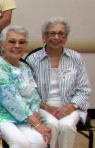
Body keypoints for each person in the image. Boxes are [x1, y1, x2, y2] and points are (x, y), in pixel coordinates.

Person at [0, 25, 50, 148]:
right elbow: (11, 99)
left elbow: (34, 94)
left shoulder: (25, 67)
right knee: (20, 143)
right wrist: (36, 123)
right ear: (2, 45)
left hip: (24, 117)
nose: (17, 46)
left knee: (40, 141)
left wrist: (34, 111)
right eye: (12, 42)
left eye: (21, 42)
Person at [26, 17, 91, 148]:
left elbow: (84, 89)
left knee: (67, 125)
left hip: (70, 106)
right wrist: (45, 106)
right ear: (44, 36)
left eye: (60, 33)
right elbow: (28, 90)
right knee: (52, 124)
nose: (56, 37)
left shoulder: (75, 58)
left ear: (66, 38)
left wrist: (71, 106)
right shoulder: (33, 59)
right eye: (52, 33)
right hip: (42, 106)